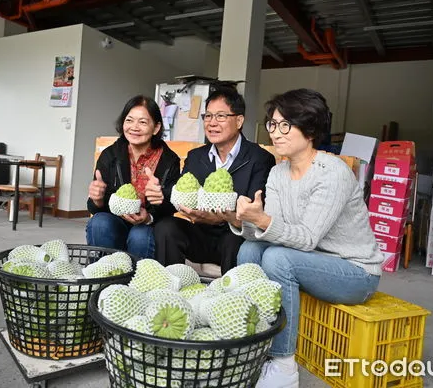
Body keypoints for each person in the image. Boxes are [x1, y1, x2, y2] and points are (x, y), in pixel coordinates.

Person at [230, 88, 384, 388]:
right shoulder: (278, 173)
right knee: (250, 249)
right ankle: (252, 343)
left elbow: (306, 238)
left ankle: (284, 365)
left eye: (285, 125)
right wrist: (242, 219)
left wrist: (262, 220)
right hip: (312, 261)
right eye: (272, 124)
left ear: (310, 129)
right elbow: (269, 229)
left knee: (277, 257)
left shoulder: (332, 173)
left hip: (355, 272)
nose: (276, 133)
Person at [154, 88, 276, 274]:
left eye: (220, 116)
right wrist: (161, 192)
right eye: (208, 116)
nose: (212, 123)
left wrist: (218, 217)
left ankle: (227, 299)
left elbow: (253, 212)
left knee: (234, 241)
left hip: (234, 234)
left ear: (239, 120)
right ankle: (168, 290)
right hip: (200, 234)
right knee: (166, 228)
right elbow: (182, 194)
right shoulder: (196, 157)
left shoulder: (260, 159)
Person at [86, 95, 180, 259]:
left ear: (156, 128)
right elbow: (95, 208)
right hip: (116, 220)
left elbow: (173, 204)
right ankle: (104, 278)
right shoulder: (110, 155)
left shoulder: (169, 160)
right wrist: (97, 199)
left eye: (143, 122)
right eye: (129, 120)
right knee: (99, 223)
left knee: (140, 236)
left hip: (149, 224)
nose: (134, 127)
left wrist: (150, 215)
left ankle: (136, 282)